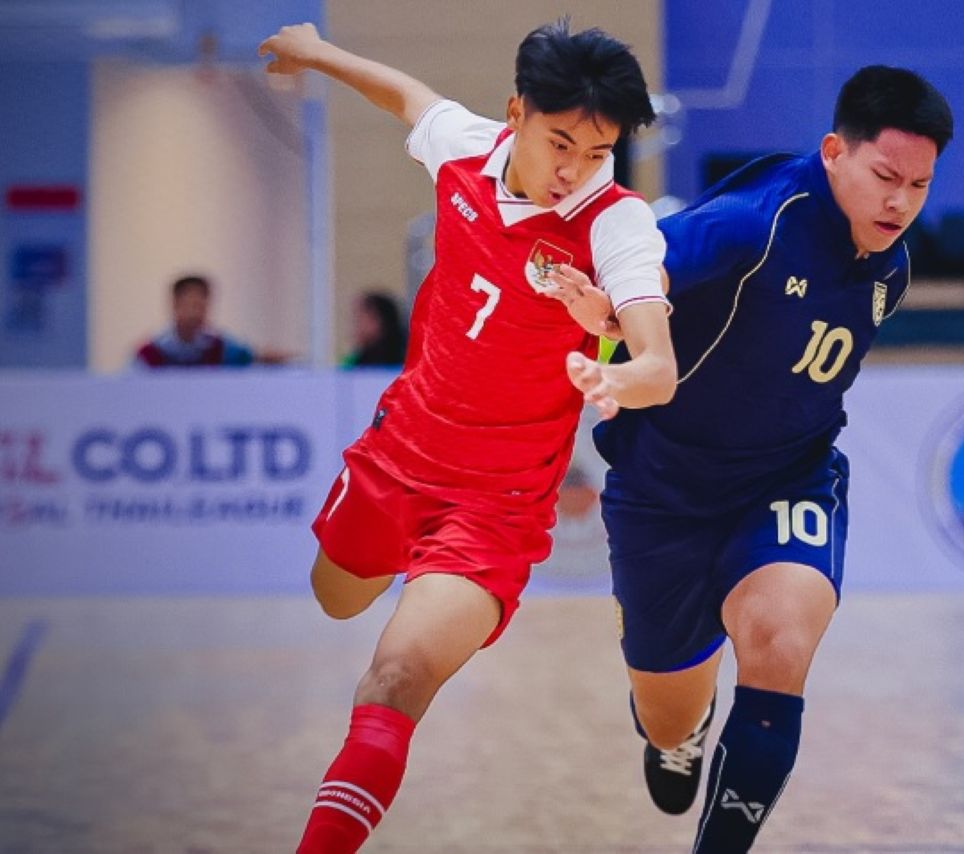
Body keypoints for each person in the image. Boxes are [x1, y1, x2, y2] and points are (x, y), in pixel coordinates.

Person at [257, 19, 675, 853]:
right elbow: (404, 94)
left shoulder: (615, 225)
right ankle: (384, 564)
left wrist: (613, 372)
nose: (575, 170)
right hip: (397, 457)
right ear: (516, 113)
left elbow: (657, 365)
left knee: (395, 678)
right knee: (336, 594)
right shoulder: (464, 149)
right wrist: (314, 51)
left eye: (598, 152)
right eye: (560, 144)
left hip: (494, 508)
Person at [595, 65, 954, 852]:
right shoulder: (755, 221)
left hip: (788, 478)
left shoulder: (889, 266)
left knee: (781, 644)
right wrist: (614, 319)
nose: (900, 203)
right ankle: (679, 730)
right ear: (833, 152)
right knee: (668, 716)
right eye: (885, 177)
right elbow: (639, 268)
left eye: (919, 186)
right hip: (662, 490)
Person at [133, 274, 255, 367]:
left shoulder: (222, 347)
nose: (195, 314)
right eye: (191, 305)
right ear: (175, 304)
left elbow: (251, 360)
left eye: (201, 307)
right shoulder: (150, 353)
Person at [341, 291, 408, 368]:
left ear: (379, 320)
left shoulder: (405, 359)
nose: (355, 326)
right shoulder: (353, 363)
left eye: (359, 318)